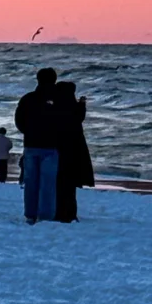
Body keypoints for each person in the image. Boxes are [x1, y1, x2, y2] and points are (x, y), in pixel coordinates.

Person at [14, 67, 59, 224]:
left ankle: (30, 214)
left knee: (31, 182)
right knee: (47, 184)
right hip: (51, 146)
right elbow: (65, 122)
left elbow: (19, 121)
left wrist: (29, 131)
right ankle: (45, 216)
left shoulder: (27, 98)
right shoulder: (58, 99)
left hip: (31, 144)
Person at [53, 82, 94, 223]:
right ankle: (70, 213)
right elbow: (79, 117)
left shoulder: (56, 107)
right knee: (70, 186)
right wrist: (82, 104)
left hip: (57, 150)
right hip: (74, 150)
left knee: (58, 183)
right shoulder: (73, 107)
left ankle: (58, 211)